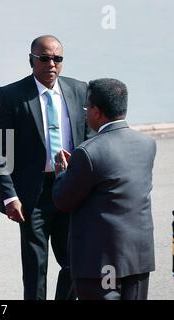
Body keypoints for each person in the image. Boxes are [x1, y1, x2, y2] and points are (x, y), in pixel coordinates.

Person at [0, 35, 92, 300]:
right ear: (31, 60)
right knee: (36, 268)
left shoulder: (80, 90)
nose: (51, 64)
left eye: (57, 59)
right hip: (31, 196)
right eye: (44, 58)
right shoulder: (11, 95)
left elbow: (92, 139)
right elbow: (1, 151)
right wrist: (9, 195)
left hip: (69, 189)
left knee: (74, 262)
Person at [52, 78, 156, 300]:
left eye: (87, 107)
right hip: (138, 257)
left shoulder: (88, 152)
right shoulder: (147, 144)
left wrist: (62, 173)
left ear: (96, 111)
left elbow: (63, 200)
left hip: (102, 262)